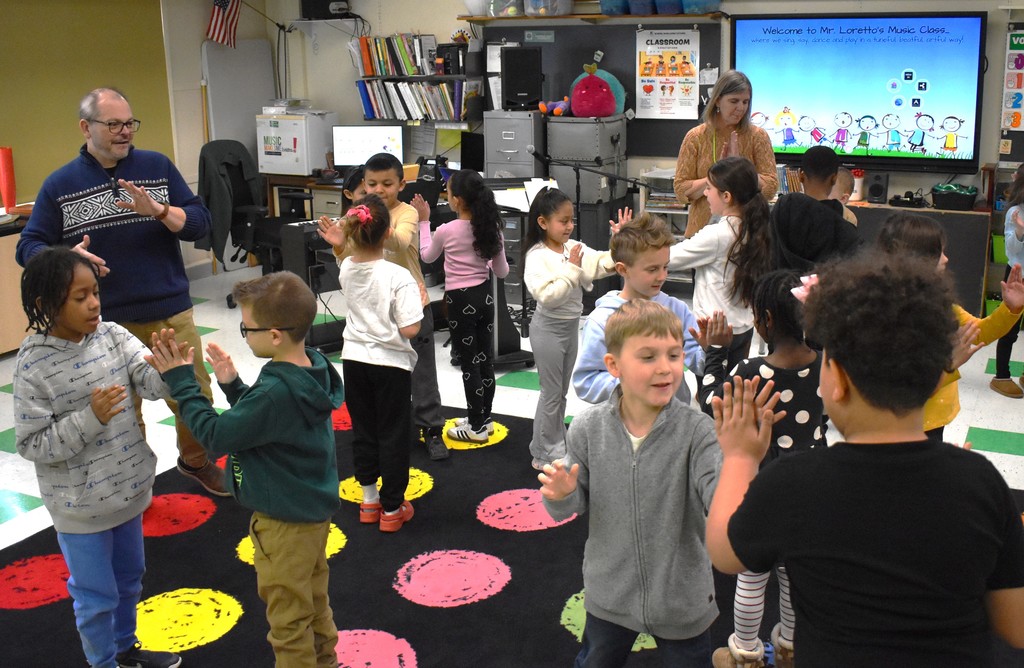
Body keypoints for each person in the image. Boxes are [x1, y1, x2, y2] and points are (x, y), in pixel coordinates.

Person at [706, 251, 1024, 666]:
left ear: (835, 381)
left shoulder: (794, 483)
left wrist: (740, 457)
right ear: (936, 374)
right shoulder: (980, 482)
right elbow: (1014, 626)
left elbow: (724, 552)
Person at [15, 87, 227, 496]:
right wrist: (63, 256)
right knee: (120, 411)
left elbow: (201, 223)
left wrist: (162, 211)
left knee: (192, 393)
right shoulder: (59, 184)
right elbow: (28, 246)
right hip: (102, 321)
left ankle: (196, 461)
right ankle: (135, 484)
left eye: (129, 123)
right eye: (113, 124)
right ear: (86, 127)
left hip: (169, 309)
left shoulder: (157, 167)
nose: (124, 131)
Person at [146, 270, 344, 665]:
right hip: (312, 513)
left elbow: (216, 436)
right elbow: (272, 424)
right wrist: (235, 387)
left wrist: (185, 384)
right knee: (314, 605)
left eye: (246, 328)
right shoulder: (314, 367)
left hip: (284, 524)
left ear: (274, 335)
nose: (244, 334)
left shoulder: (273, 390)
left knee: (288, 623)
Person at [14, 247, 181, 668]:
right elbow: (32, 443)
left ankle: (126, 651)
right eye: (79, 297)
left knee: (128, 581)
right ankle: (102, 662)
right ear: (45, 304)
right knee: (95, 597)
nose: (94, 304)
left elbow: (147, 383)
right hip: (79, 507)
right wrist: (90, 418)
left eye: (95, 292)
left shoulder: (112, 334)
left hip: (127, 490)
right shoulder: (33, 363)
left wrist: (169, 371)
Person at [540, 299, 723, 667]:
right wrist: (563, 495)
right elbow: (571, 505)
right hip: (610, 591)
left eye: (674, 355)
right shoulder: (589, 427)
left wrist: (737, 462)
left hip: (681, 596)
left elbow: (717, 498)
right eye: (648, 357)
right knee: (595, 660)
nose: (665, 369)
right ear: (613, 366)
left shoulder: (697, 429)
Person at [696, 272, 826, 668]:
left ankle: (746, 653)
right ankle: (788, 647)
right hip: (810, 488)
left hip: (762, 487)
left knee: (753, 573)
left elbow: (710, 404)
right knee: (791, 575)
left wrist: (716, 353)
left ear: (765, 320)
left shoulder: (752, 371)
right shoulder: (825, 366)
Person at [320, 152, 447, 460]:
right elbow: (348, 259)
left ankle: (431, 429)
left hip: (414, 303)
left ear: (401, 184)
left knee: (423, 372)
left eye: (387, 184)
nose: (379, 190)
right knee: (385, 375)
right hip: (376, 309)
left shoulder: (406, 212)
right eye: (372, 184)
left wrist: (372, 222)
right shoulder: (356, 215)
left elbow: (400, 242)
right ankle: (392, 431)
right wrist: (340, 241)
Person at [875, 213, 1024, 442]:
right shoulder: (887, 314)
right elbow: (902, 384)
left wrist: (1010, 309)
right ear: (915, 259)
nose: (945, 259)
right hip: (904, 423)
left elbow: (980, 332)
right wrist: (948, 366)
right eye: (938, 253)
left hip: (934, 419)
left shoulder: (940, 302)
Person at [335, 195, 422, 531]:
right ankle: (391, 508)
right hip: (390, 365)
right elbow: (410, 329)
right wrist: (421, 301)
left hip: (354, 360)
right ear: (388, 233)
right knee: (393, 433)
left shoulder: (345, 268)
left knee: (365, 430)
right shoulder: (398, 276)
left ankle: (369, 501)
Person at [521, 187, 618, 469]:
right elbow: (549, 296)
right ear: (542, 222)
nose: (569, 226)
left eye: (571, 220)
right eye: (563, 221)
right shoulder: (536, 256)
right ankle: (544, 453)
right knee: (551, 393)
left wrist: (620, 242)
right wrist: (573, 269)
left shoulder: (572, 248)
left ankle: (551, 442)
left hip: (570, 327)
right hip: (548, 329)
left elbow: (601, 262)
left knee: (560, 392)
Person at [573, 213, 703, 407]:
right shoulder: (602, 320)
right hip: (626, 423)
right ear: (623, 269)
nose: (661, 276)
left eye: (665, 267)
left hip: (673, 419)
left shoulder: (677, 309)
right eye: (652, 270)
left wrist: (713, 349)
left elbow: (699, 363)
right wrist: (637, 382)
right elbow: (586, 382)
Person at [419, 169, 509, 443]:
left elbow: (426, 256)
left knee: (469, 363)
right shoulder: (491, 227)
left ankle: (476, 428)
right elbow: (502, 271)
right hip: (485, 297)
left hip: (459, 300)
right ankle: (483, 418)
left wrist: (424, 223)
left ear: (457, 200)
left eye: (448, 192)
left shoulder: (446, 230)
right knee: (485, 360)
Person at [668, 156, 772, 371]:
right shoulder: (756, 226)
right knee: (731, 388)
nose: (705, 193)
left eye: (709, 188)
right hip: (743, 327)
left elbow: (669, 258)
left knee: (712, 391)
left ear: (726, 196)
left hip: (715, 333)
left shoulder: (718, 235)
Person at [673, 70, 779, 237]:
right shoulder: (696, 137)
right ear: (717, 101)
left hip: (744, 235)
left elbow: (770, 188)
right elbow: (681, 191)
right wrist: (716, 177)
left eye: (745, 102)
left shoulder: (758, 136)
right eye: (734, 101)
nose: (741, 108)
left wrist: (740, 168)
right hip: (700, 234)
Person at [991, 163, 1024, 398]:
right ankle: (1001, 375)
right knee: (1009, 328)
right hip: (1017, 276)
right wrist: (1021, 231)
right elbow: (1010, 248)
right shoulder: (1015, 211)